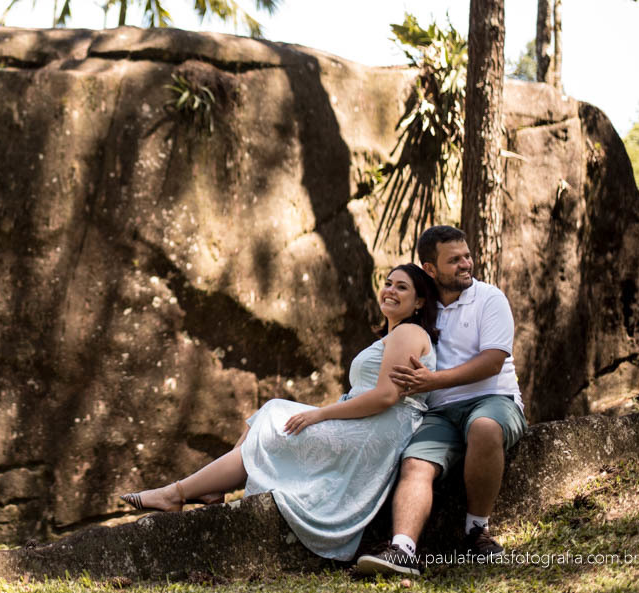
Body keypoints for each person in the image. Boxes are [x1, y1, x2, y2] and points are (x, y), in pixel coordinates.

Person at [118, 264, 440, 561]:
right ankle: (199, 489)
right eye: (387, 283)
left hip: (378, 430)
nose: (390, 291)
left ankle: (179, 492)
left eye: (402, 287)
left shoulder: (408, 333)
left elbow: (385, 396)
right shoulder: (393, 335)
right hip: (368, 423)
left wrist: (322, 414)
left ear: (419, 303)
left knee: (275, 416)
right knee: (271, 414)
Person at [355, 225, 527, 578]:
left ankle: (476, 531)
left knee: (483, 427)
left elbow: (493, 361)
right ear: (430, 268)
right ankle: (402, 548)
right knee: (416, 461)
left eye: (467, 256)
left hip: (492, 399)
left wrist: (433, 380)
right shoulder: (423, 306)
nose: (466, 264)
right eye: (455, 260)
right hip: (439, 413)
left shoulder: (489, 298)